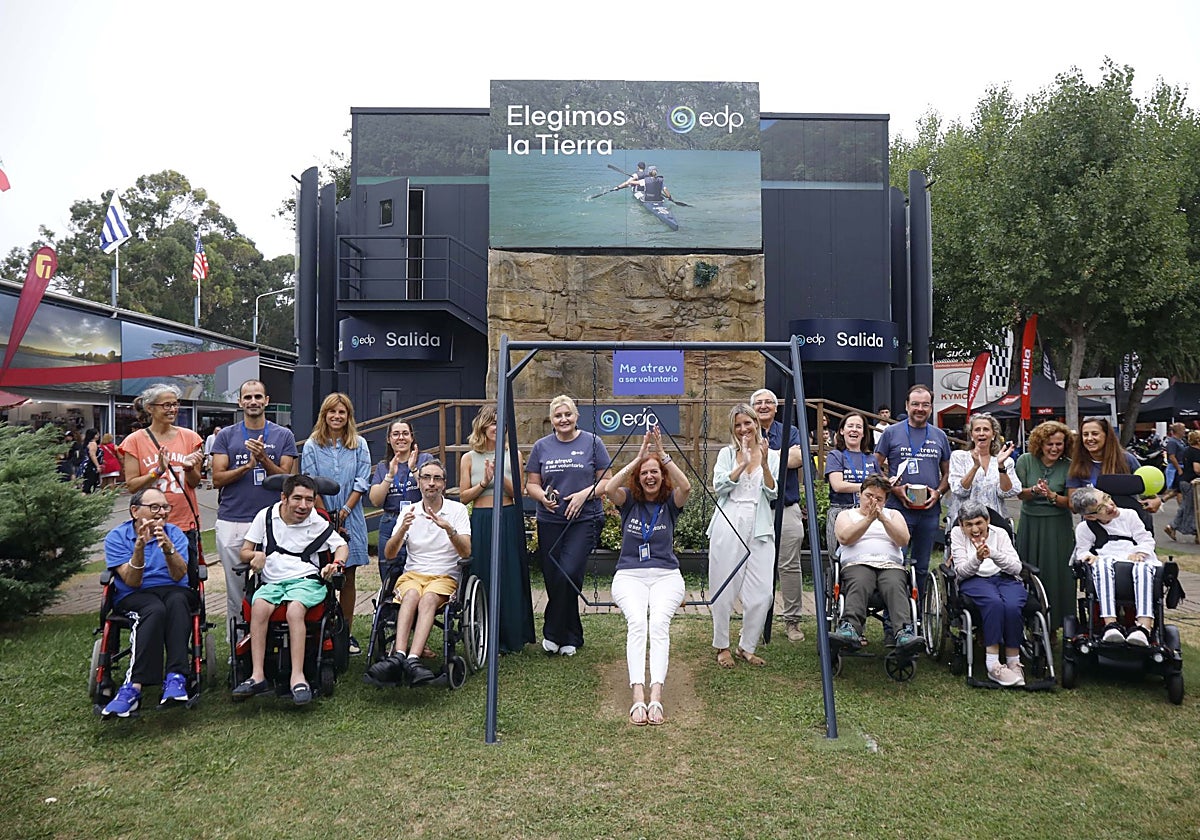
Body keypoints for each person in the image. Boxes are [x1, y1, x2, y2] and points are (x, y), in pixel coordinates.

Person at [232, 474, 348, 705]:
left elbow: (341, 546)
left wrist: (335, 565)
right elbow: (244, 551)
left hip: (306, 581)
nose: (303, 506)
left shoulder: (317, 521)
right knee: (259, 607)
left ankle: (298, 677)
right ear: (284, 497)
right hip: (272, 582)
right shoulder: (265, 516)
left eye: (309, 499)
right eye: (297, 498)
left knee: (295, 610)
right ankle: (257, 675)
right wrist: (255, 555)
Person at [605, 427, 691, 726]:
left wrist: (663, 455)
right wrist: (638, 458)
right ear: (638, 478)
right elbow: (608, 489)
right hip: (630, 575)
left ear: (662, 474)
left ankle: (656, 696)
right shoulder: (628, 501)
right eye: (645, 473)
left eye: (655, 472)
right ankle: (637, 697)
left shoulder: (670, 505)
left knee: (659, 624)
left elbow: (687, 486)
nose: (650, 477)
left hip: (666, 575)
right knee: (639, 622)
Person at [365, 459, 472, 686]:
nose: (431, 483)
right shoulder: (408, 512)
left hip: (444, 575)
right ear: (419, 482)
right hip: (413, 574)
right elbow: (390, 554)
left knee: (429, 599)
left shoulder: (457, 510)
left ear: (444, 484)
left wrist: (449, 530)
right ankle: (399, 655)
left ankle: (413, 659)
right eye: (426, 478)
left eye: (437, 478)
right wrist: (402, 529)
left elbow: (466, 552)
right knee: (412, 595)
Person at [525, 395, 611, 656]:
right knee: (553, 578)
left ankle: (552, 632)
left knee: (568, 572)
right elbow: (531, 484)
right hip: (549, 520)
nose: (563, 419)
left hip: (584, 520)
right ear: (552, 420)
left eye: (567, 415)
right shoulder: (542, 446)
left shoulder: (593, 443)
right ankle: (572, 635)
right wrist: (542, 498)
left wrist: (584, 494)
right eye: (558, 416)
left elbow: (607, 482)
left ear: (576, 417)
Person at [211, 380, 298, 632]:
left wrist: (262, 459)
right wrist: (247, 467)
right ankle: (237, 647)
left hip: (272, 522)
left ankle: (271, 642)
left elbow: (285, 480)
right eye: (247, 397)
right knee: (235, 589)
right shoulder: (226, 435)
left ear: (266, 401)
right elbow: (217, 479)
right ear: (240, 402)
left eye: (258, 396)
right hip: (233, 520)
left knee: (272, 585)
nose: (253, 401)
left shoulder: (283, 435)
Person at [99, 488, 193, 718]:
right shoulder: (117, 538)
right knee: (153, 610)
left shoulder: (176, 534)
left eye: (165, 507)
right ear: (134, 511)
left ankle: (176, 678)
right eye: (154, 508)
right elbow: (132, 580)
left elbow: (180, 575)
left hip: (172, 589)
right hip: (135, 593)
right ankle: (134, 686)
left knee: (179, 601)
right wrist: (139, 548)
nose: (161, 513)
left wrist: (168, 547)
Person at [458, 405, 534, 654]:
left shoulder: (514, 455)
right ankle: (484, 634)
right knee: (484, 573)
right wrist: (484, 481)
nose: (496, 428)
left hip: (508, 516)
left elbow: (520, 493)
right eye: (491, 422)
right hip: (482, 518)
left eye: (500, 424)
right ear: (482, 426)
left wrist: (499, 475)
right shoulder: (468, 458)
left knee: (509, 574)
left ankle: (512, 636)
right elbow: (464, 497)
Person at [300, 393, 372, 654]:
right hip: (319, 516)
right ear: (324, 415)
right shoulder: (311, 445)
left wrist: (344, 510)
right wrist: (326, 516)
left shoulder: (359, 444)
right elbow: (309, 482)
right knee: (320, 575)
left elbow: (362, 481)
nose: (337, 417)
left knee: (347, 576)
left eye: (342, 412)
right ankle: (321, 631)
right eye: (332, 412)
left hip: (350, 515)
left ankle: (346, 634)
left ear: (348, 416)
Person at [708, 403, 779, 667]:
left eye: (747, 423)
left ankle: (746, 646)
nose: (743, 429)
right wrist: (743, 464)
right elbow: (719, 486)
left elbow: (773, 492)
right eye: (738, 425)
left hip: (759, 524)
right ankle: (722, 646)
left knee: (763, 593)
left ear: (756, 423)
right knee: (724, 586)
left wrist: (763, 463)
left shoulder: (771, 453)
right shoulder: (727, 454)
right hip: (730, 521)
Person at [874, 384, 951, 603]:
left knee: (923, 566)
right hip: (898, 512)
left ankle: (920, 617)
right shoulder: (891, 432)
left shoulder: (939, 436)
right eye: (915, 404)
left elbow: (948, 472)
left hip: (929, 511)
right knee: (895, 564)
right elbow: (875, 464)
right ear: (907, 406)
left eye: (925, 405)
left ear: (931, 407)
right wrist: (893, 489)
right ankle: (894, 622)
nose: (920, 408)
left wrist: (938, 492)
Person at [829, 474, 920, 652]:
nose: (873, 501)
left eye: (879, 498)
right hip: (857, 563)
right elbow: (845, 538)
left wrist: (883, 519)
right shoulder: (846, 515)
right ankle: (851, 628)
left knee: (895, 583)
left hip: (889, 564)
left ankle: (903, 632)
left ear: (885, 501)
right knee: (860, 580)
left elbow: (903, 540)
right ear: (860, 495)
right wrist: (869, 519)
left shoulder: (894, 515)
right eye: (869, 496)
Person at [950, 501, 1029, 686]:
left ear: (987, 520)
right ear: (961, 525)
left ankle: (1013, 661)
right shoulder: (957, 534)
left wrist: (992, 554)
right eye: (968, 524)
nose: (974, 529)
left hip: (1004, 577)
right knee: (994, 603)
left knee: (1011, 605)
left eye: (978, 523)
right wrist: (977, 558)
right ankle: (993, 664)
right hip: (974, 579)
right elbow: (961, 571)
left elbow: (1016, 567)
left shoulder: (1000, 533)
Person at [1070, 486, 1161, 647]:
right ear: (1090, 517)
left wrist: (1140, 552)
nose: (1110, 506)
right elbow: (1082, 551)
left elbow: (1146, 539)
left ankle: (1144, 627)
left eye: (1107, 498)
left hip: (1135, 559)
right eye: (1101, 508)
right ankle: (1110, 624)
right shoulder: (1085, 528)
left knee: (1143, 568)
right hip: (1107, 560)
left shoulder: (1129, 515)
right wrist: (1088, 556)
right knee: (1101, 564)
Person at [119, 384, 204, 555]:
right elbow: (132, 486)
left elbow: (194, 483)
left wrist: (188, 469)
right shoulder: (134, 441)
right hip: (149, 524)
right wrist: (157, 471)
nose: (172, 409)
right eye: (166, 405)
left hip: (185, 523)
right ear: (150, 408)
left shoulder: (190, 438)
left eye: (175, 404)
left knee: (186, 577)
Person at [750, 388, 806, 642]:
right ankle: (757, 620)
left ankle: (792, 621)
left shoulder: (789, 431)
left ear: (775, 407)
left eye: (768, 403)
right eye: (758, 403)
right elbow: (744, 461)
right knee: (756, 567)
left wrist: (763, 457)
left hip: (787, 508)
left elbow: (797, 458)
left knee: (789, 566)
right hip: (755, 510)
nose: (763, 406)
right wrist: (778, 457)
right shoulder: (745, 430)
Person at [1014, 420, 1075, 630]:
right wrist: (1034, 491)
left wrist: (1051, 496)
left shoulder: (1069, 465)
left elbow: (1072, 504)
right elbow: (1017, 493)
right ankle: (1027, 624)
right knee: (1027, 574)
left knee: (1058, 576)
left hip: (1058, 528)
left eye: (1059, 444)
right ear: (1040, 444)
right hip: (1030, 525)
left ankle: (1056, 625)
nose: (1054, 448)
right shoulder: (1025, 461)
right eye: (1050, 444)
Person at [367, 418, 432, 582]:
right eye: (395, 434)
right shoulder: (383, 466)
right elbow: (375, 500)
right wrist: (389, 476)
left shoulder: (425, 460)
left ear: (412, 437)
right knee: (389, 570)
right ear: (389, 439)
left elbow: (432, 492)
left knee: (418, 570)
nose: (400, 438)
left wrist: (414, 469)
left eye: (405, 433)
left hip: (418, 519)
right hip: (391, 521)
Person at [1065, 417, 1161, 514]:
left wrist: (1156, 501)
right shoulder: (1077, 465)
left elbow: (1149, 492)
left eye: (1095, 434)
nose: (1089, 438)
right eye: (1085, 434)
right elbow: (1073, 505)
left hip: (1127, 524)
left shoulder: (1127, 459)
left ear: (1107, 436)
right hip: (1094, 525)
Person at [824, 411, 882, 559]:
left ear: (863, 433)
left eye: (859, 427)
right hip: (841, 512)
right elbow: (837, 485)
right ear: (842, 431)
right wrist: (867, 487)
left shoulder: (871, 459)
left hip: (868, 512)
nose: (854, 430)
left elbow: (880, 488)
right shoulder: (836, 456)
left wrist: (889, 483)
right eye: (850, 426)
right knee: (838, 559)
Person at [946, 412, 1021, 526]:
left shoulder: (1006, 461)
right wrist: (975, 467)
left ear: (993, 435)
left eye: (986, 429)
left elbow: (1007, 492)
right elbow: (959, 491)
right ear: (971, 435)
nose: (981, 433)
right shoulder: (959, 457)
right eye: (977, 430)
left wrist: (1001, 466)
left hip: (995, 523)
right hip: (965, 524)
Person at [1165, 429, 1200, 543]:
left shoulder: (1187, 450)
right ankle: (1174, 526)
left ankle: (1191, 531)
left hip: (1184, 480)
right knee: (1190, 507)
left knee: (1188, 506)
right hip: (1192, 482)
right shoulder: (1196, 452)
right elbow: (1197, 469)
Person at [1162, 423, 1186, 504]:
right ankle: (1182, 509)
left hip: (1181, 466)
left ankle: (1163, 500)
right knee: (1179, 490)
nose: (1184, 431)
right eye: (1183, 429)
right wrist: (1179, 469)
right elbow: (1172, 457)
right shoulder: (1172, 442)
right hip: (1175, 468)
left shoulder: (1181, 441)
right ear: (1178, 431)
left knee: (1177, 489)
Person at [80, 428, 102, 493]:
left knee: (87, 484)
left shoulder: (87, 443)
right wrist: (97, 466)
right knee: (90, 484)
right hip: (91, 466)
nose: (99, 436)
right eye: (97, 434)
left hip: (86, 465)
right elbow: (92, 455)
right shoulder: (93, 444)